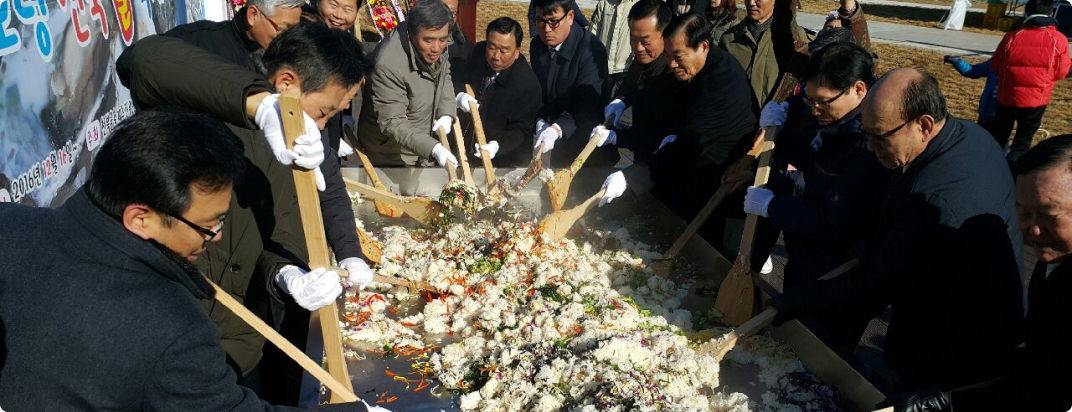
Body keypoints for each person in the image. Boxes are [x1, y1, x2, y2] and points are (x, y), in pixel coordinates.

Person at [0, 110, 375, 412]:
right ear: (140, 218)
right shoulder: (169, 330)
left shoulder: (10, 225)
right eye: (209, 225)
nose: (217, 236)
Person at [117, 24, 374, 386]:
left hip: (241, 335)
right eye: (321, 112)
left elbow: (324, 195)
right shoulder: (210, 111)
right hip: (171, 323)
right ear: (285, 84)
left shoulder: (306, 142)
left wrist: (338, 258)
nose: (320, 127)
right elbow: (139, 61)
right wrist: (260, 106)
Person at [774, 69, 1025, 398]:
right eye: (867, 134)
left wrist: (803, 298)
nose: (870, 146)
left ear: (922, 125)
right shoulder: (964, 132)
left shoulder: (935, 202)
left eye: (880, 137)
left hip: (956, 339)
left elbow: (878, 282)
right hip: (958, 299)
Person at [884, 135, 1072, 412]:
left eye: (1049, 214)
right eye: (1024, 212)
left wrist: (950, 402)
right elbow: (1039, 355)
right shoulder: (1054, 256)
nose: (1033, 230)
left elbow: (1049, 389)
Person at [727, 43, 889, 357]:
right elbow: (814, 182)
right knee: (786, 348)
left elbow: (831, 222)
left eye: (822, 102)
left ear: (858, 90)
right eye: (810, 101)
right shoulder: (836, 125)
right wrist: (769, 173)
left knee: (814, 360)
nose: (815, 111)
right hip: (806, 264)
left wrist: (773, 205)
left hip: (837, 283)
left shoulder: (868, 147)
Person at [594, 13, 756, 258]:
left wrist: (631, 177)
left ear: (703, 46)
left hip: (720, 179)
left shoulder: (721, 85)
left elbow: (686, 150)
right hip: (688, 169)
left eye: (678, 56)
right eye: (668, 56)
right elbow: (658, 106)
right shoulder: (691, 68)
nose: (671, 64)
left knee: (708, 254)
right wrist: (621, 117)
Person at [357, 0, 459, 168]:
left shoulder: (437, 40)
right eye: (429, 40)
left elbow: (443, 73)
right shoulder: (388, 63)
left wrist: (447, 112)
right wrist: (433, 148)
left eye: (443, 40)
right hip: (391, 153)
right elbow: (393, 122)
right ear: (411, 34)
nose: (437, 48)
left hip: (421, 141)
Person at [720, 0, 869, 108]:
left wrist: (849, 7)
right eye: (828, 30)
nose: (751, 3)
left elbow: (862, 56)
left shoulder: (795, 45)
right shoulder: (728, 38)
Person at [530, 0, 615, 168]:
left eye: (553, 21)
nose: (546, 29)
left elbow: (589, 104)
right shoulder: (538, 46)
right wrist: (539, 119)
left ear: (570, 17)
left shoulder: (591, 49)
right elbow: (537, 91)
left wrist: (557, 129)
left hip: (588, 145)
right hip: (557, 145)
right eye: (540, 21)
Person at [988, 0, 1071, 167]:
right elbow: (1062, 72)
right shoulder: (1058, 39)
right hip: (1036, 100)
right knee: (1022, 142)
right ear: (1051, 14)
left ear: (1026, 12)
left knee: (998, 137)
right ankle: (1012, 173)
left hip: (1007, 97)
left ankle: (990, 167)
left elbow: (995, 65)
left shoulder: (1012, 36)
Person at [453, 17, 543, 166]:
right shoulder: (479, 53)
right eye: (492, 47)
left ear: (516, 51)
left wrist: (496, 146)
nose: (495, 56)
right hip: (469, 150)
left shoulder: (527, 84)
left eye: (504, 50)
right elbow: (460, 77)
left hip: (506, 161)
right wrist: (459, 94)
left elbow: (520, 129)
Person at [599, 0, 674, 177]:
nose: (638, 48)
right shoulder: (642, 61)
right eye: (633, 39)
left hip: (662, 163)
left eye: (645, 41)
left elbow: (652, 131)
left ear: (665, 34)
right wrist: (620, 101)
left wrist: (616, 137)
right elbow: (630, 83)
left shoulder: (671, 73)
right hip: (639, 156)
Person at [164, 0, 303, 71]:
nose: (289, 38)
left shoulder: (287, 60)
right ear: (252, 15)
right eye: (284, 29)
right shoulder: (195, 41)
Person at [589, 0, 641, 98]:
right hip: (603, 65)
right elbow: (594, 30)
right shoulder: (604, 3)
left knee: (619, 103)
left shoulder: (637, 5)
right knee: (600, 101)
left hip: (626, 66)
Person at [944, 56, 999, 130]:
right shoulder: (997, 61)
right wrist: (958, 63)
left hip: (1000, 116)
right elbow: (974, 71)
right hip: (985, 112)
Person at [439, 0, 474, 95]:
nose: (449, 16)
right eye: (444, 10)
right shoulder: (416, 39)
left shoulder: (462, 42)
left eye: (453, 12)